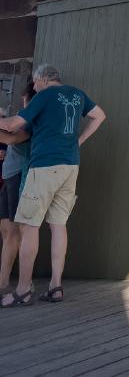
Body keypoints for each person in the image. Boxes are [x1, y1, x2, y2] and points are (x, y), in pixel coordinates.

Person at [0, 64, 106, 307]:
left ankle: (23, 290)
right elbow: (100, 115)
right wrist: (79, 140)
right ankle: (55, 286)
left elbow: (12, 125)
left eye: (35, 82)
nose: (34, 87)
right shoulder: (78, 94)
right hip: (70, 166)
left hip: (45, 166)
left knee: (29, 226)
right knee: (58, 225)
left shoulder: (45, 95)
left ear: (44, 79)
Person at [0, 81, 34, 297]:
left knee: (14, 231)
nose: (23, 105)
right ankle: (3, 282)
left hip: (19, 177)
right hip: (8, 177)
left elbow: (13, 137)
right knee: (6, 230)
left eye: (25, 100)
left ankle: (21, 283)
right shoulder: (22, 118)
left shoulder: (32, 121)